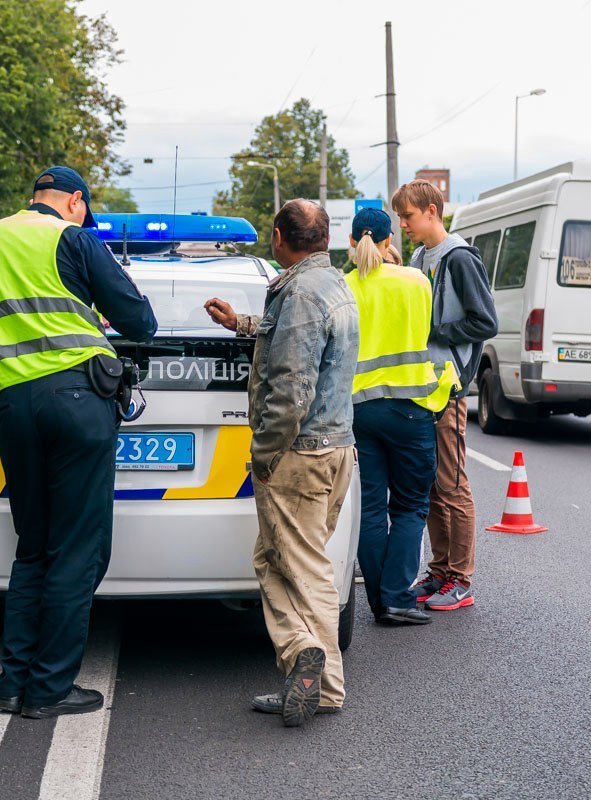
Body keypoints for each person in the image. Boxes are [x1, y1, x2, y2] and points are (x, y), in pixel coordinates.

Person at [0, 166, 157, 718]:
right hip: (76, 403)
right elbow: (139, 320)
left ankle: (13, 684)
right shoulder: (72, 238)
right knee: (78, 549)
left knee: (33, 547)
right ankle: (49, 690)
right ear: (75, 201)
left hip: (13, 406)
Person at [203, 200, 358, 727]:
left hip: (299, 454)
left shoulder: (300, 295)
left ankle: (317, 673)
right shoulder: (333, 285)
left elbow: (291, 389)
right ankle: (308, 663)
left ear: (278, 237)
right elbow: (296, 342)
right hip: (336, 449)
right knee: (275, 560)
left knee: (303, 566)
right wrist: (243, 323)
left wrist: (264, 455)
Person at [342, 207, 458, 627]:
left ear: (352, 242)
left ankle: (378, 599)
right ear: (390, 241)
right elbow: (430, 334)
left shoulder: (343, 286)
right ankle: (396, 599)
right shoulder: (414, 280)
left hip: (358, 411)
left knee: (370, 508)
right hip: (411, 409)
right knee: (409, 507)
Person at [391, 180, 498, 611]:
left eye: (409, 216)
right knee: (431, 482)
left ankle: (461, 578)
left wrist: (435, 332)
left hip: (448, 386)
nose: (404, 224)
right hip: (423, 385)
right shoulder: (419, 257)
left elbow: (485, 322)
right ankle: (438, 572)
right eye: (400, 217)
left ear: (432, 211)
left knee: (452, 484)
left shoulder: (459, 258)